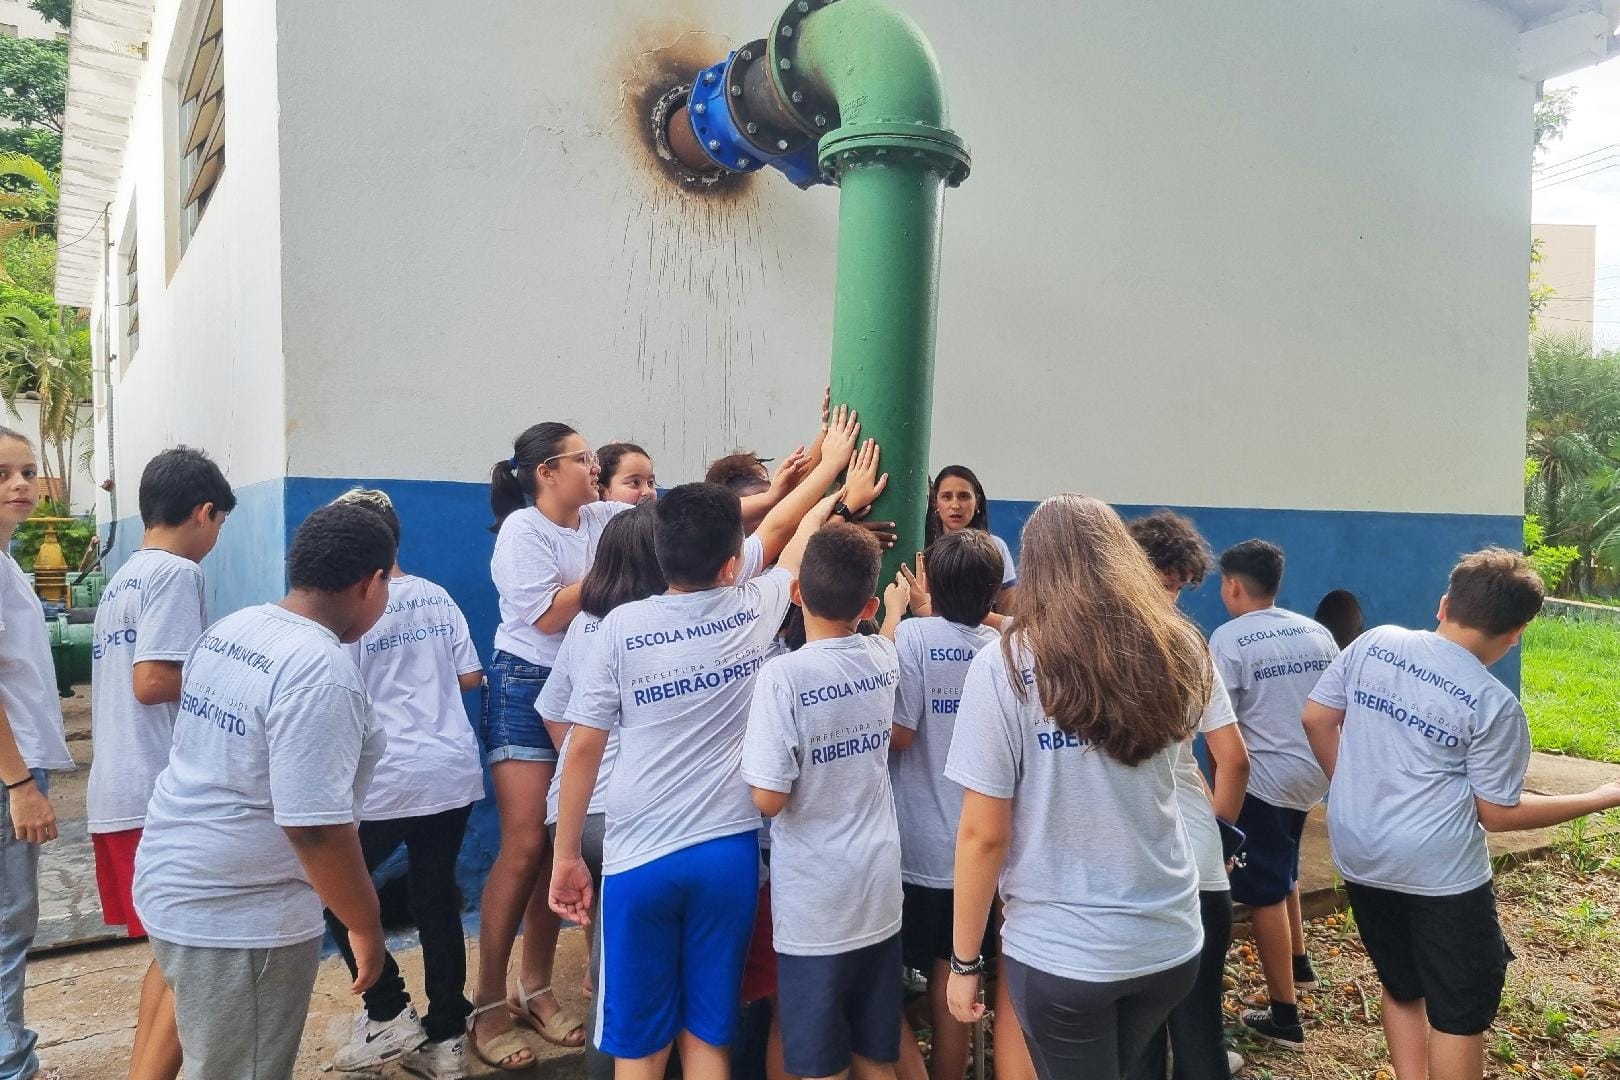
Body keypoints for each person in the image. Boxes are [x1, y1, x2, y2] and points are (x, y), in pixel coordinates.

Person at [549, 477, 852, 1080]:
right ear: (732, 563)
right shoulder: (753, 607)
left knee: (640, 1049)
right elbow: (789, 540)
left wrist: (565, 857)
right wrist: (833, 488)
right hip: (727, 856)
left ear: (659, 553)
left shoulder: (621, 627)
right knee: (707, 1037)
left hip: (639, 860)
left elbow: (582, 748)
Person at [1303, 549, 1620, 1080]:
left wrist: (1352, 786)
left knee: (1401, 985)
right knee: (1458, 1013)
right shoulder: (1494, 705)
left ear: (1444, 604)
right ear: (1516, 633)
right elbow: (1496, 813)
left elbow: (1316, 717)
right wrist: (1602, 795)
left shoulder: (1375, 642)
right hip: (1440, 875)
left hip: (1359, 851)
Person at [945, 494, 1206, 1080]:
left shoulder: (1005, 666)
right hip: (1169, 940)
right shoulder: (1177, 647)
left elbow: (983, 834)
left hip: (1067, 955)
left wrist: (964, 962)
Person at [131, 502, 394, 1079]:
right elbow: (314, 827)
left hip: (174, 879)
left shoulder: (233, 628)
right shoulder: (319, 669)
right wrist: (365, 922)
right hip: (241, 917)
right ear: (372, 583)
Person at [474, 422, 629, 1067]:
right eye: (582, 457)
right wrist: (619, 568)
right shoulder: (524, 531)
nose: (595, 467)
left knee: (557, 843)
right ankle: (486, 1002)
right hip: (525, 683)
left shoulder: (598, 516)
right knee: (525, 846)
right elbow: (545, 617)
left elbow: (678, 521)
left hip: (583, 682)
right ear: (545, 471)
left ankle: (534, 986)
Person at [319, 489, 485, 1079]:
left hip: (386, 779)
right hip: (449, 772)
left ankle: (388, 1010)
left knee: (335, 892)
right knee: (436, 896)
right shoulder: (437, 596)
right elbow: (470, 676)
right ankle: (447, 1039)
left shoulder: (350, 610)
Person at [88, 446, 234, 1080]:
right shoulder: (178, 574)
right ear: (203, 512)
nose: (216, 538)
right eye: (219, 523)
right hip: (158, 795)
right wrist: (228, 674)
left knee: (172, 959)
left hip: (118, 790)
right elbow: (151, 682)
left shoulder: (124, 575)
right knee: (196, 961)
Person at [742, 523, 904, 1080]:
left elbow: (769, 798)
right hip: (879, 891)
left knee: (819, 1064)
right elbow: (884, 641)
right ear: (869, 606)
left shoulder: (782, 677)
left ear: (795, 593)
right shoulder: (883, 658)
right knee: (875, 1054)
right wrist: (896, 612)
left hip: (816, 906)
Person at [536, 502, 666, 1080]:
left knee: (610, 962)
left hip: (572, 815)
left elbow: (555, 715)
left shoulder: (586, 624)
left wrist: (585, 773)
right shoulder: (658, 627)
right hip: (627, 818)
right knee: (627, 975)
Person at [1127, 510, 1252, 1080]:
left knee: (1142, 1036)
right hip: (1201, 870)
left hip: (1142, 871)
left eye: (1177, 588)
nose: (1171, 598)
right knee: (1201, 1028)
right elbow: (1232, 760)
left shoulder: (1100, 652)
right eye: (1168, 584)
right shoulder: (1189, 646)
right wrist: (1220, 834)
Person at [1208, 539, 1339, 1050]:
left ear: (1232, 585)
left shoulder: (1229, 639)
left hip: (1265, 783)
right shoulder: (1316, 632)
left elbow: (1220, 729)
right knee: (1284, 868)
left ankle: (1284, 1016)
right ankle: (1299, 964)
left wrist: (1221, 805)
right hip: (1314, 774)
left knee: (1262, 892)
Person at [885, 528, 1005, 1080]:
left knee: (882, 976)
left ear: (928, 581)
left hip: (917, 849)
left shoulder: (912, 636)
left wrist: (897, 616)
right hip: (978, 853)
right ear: (994, 592)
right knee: (955, 975)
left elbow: (900, 734)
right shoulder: (1000, 648)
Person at [0, 427, 75, 1080]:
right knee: (8, 925)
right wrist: (20, 783)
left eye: (26, 471)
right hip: (7, 772)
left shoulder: (8, 563)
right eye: (2, 475)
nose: (20, 484)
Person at [922, 466, 1017, 605]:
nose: (955, 505)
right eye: (946, 497)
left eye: (964, 496)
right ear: (936, 502)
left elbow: (1008, 607)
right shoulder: (923, 547)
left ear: (977, 502)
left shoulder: (995, 547)